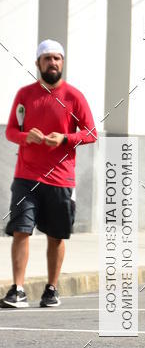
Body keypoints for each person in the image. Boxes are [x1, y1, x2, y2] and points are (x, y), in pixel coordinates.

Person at [2, 39, 97, 308]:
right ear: (38, 63)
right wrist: (25, 136)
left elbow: (91, 133)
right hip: (26, 176)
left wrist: (65, 139)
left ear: (62, 63)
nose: (52, 63)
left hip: (60, 178)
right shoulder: (25, 95)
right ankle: (17, 289)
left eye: (57, 58)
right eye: (47, 59)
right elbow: (10, 131)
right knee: (21, 230)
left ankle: (51, 289)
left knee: (56, 236)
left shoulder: (74, 97)